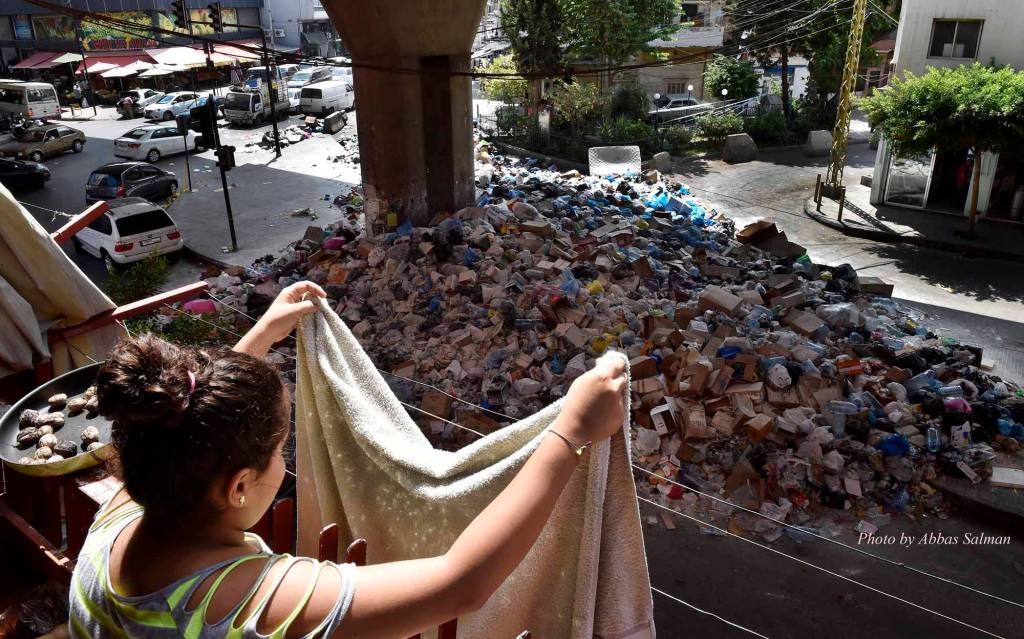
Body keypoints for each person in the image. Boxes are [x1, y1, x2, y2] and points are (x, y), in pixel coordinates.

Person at [69, 281, 628, 638]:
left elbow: (186, 426)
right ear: (238, 487)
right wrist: (570, 430)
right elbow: (460, 584)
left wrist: (260, 338)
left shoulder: (117, 520)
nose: (285, 466)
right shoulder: (246, 607)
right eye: (279, 453)